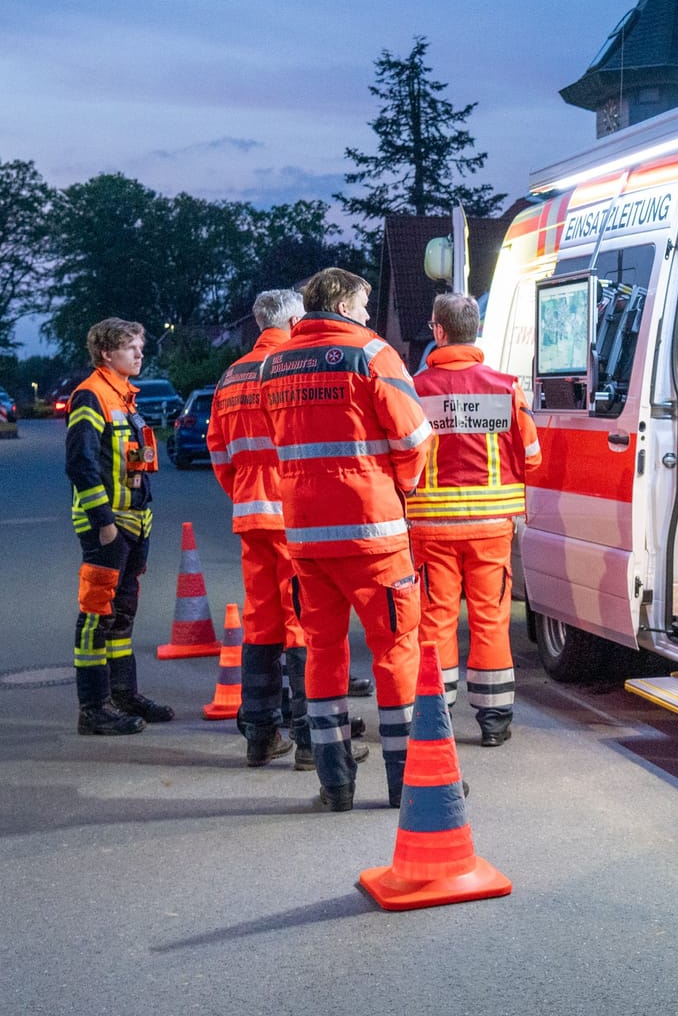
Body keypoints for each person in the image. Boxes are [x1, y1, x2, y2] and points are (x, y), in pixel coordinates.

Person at [260, 268, 431, 811]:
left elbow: (280, 438)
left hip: (306, 536)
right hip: (372, 532)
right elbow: (412, 437)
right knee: (396, 650)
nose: (365, 313)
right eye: (362, 303)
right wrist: (399, 486)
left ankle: (334, 784)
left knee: (322, 652)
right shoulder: (372, 353)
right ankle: (410, 781)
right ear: (341, 301)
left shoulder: (275, 362)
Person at [208, 288, 368, 773]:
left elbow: (218, 451)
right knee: (303, 625)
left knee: (261, 623)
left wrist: (242, 491)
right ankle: (308, 741)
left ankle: (260, 737)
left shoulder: (231, 374)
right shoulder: (289, 365)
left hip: (250, 513)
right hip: (292, 513)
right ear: (296, 318)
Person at [408, 293, 543, 746]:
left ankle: (435, 714)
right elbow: (532, 457)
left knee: (436, 620)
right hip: (490, 528)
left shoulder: (415, 388)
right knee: (490, 619)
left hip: (431, 529)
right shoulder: (505, 387)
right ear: (475, 328)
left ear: (438, 331)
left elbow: (401, 456)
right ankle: (494, 721)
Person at [64, 318, 173, 735]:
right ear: (107, 353)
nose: (140, 354)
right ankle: (93, 708)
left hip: (134, 521)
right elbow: (80, 463)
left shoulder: (123, 396)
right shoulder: (91, 396)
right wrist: (104, 522)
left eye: (140, 347)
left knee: (122, 614)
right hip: (108, 527)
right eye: (131, 348)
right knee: (97, 612)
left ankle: (122, 695)